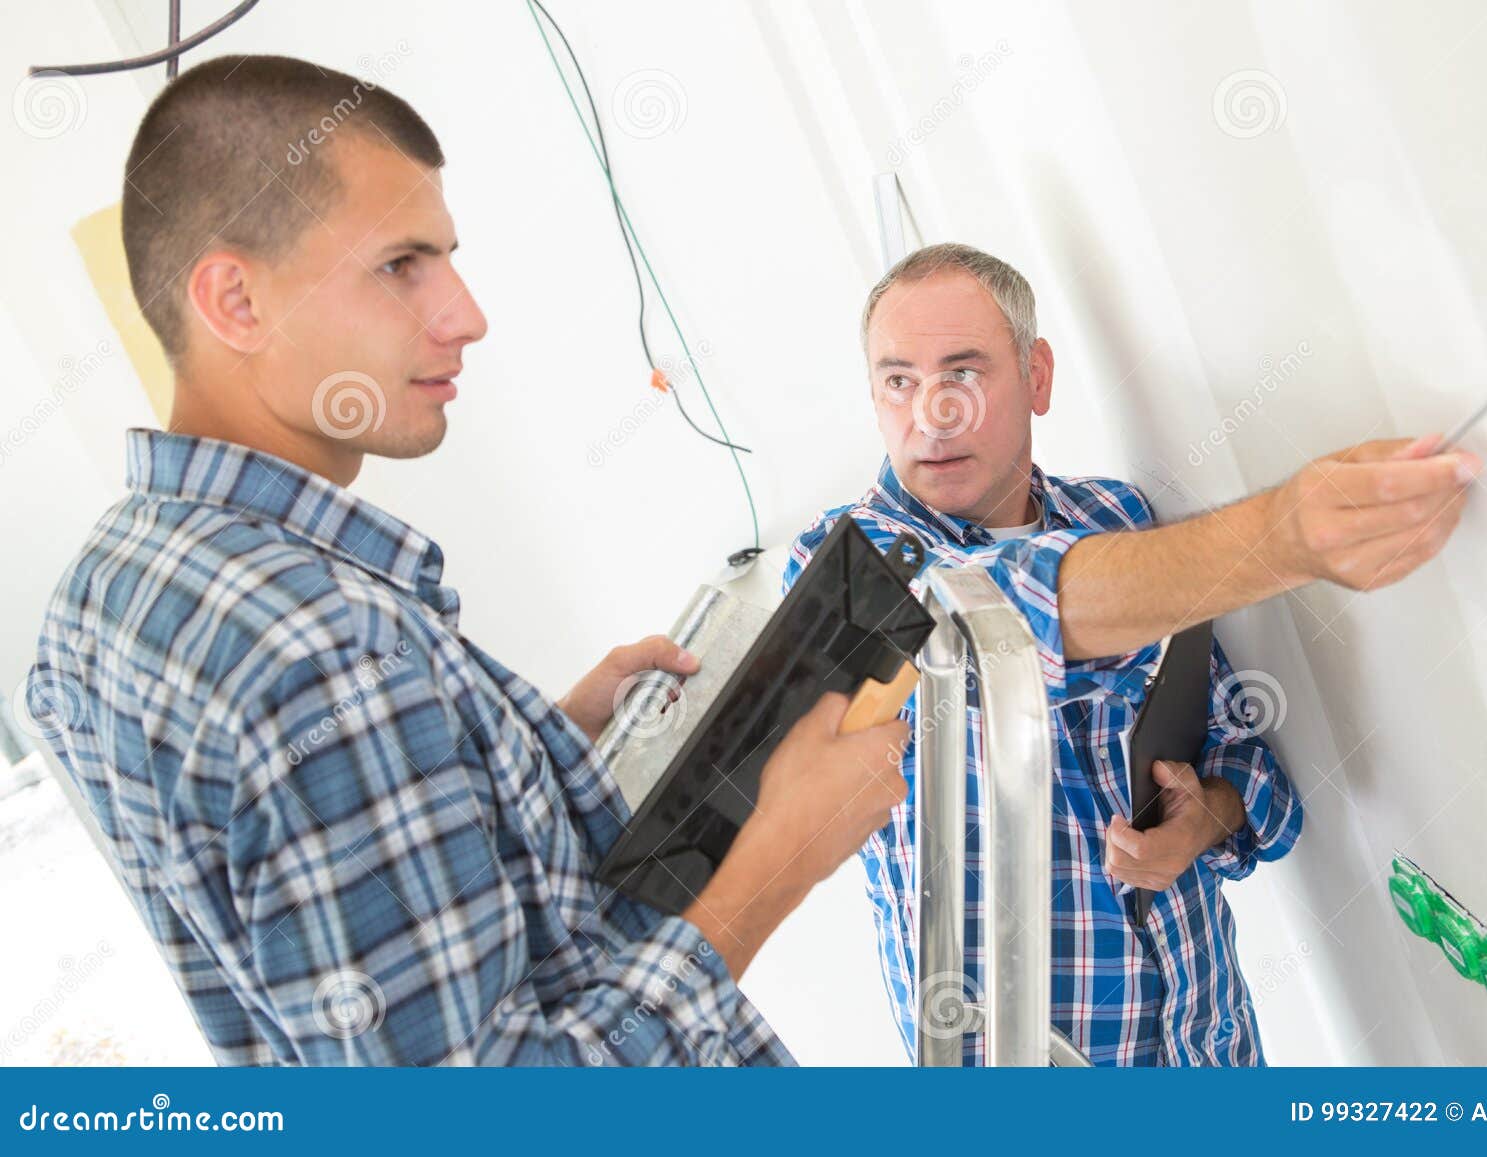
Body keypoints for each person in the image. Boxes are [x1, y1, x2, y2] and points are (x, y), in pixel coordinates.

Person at [24, 55, 908, 1066]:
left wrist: (506, 750)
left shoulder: (112, 583)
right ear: (235, 301)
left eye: (446, 257)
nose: (467, 315)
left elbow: (290, 925)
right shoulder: (326, 657)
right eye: (401, 264)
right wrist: (777, 861)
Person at [783, 243, 1481, 1065]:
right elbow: (993, 616)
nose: (931, 414)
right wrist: (1280, 538)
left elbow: (1240, 751)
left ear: (1036, 376)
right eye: (898, 380)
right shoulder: (843, 566)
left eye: (963, 373)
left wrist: (1205, 815)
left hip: (1212, 1053)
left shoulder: (1117, 516)